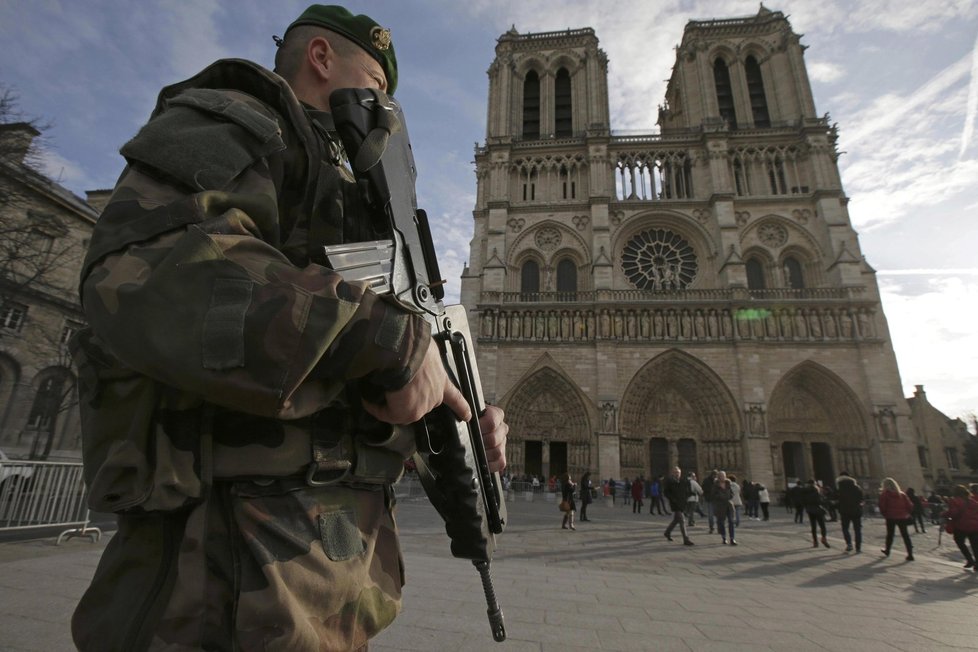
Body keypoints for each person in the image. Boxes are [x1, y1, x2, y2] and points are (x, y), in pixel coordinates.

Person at [68, 6, 508, 651]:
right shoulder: (234, 120)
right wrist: (389, 339)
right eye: (377, 87)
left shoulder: (351, 190)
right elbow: (145, 272)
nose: (386, 109)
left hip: (329, 573)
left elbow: (351, 379)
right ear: (322, 58)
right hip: (219, 565)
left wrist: (451, 413)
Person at [941, 484, 978, 570]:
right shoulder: (972, 501)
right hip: (975, 526)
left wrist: (944, 514)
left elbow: (954, 513)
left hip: (962, 525)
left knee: (960, 542)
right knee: (975, 545)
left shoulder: (954, 501)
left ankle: (970, 559)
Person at [878, 477, 914, 561]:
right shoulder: (902, 494)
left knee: (890, 534)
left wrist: (885, 514)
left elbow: (882, 506)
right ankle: (910, 554)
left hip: (891, 517)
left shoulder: (885, 494)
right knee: (905, 535)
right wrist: (906, 513)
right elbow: (910, 505)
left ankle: (887, 550)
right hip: (902, 517)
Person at [663, 466, 694, 545]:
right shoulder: (669, 481)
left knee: (676, 520)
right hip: (675, 504)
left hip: (682, 503)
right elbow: (666, 492)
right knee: (682, 520)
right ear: (672, 473)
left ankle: (667, 532)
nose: (677, 474)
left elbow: (687, 490)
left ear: (680, 473)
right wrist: (672, 499)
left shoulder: (684, 481)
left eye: (678, 472)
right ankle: (686, 539)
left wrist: (689, 495)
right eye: (675, 472)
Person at [835, 471, 864, 552]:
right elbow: (861, 499)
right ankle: (858, 547)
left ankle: (849, 544)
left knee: (845, 528)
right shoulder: (857, 487)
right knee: (857, 529)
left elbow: (837, 499)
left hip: (845, 511)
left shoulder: (840, 488)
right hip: (856, 511)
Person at [800, 479, 830, 548]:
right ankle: (823, 538)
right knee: (822, 525)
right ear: (814, 483)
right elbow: (820, 500)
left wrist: (807, 506)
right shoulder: (817, 490)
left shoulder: (804, 491)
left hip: (810, 510)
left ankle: (815, 542)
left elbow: (803, 501)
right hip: (818, 509)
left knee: (813, 526)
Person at [712, 471, 737, 545]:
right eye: (721, 476)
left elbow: (732, 493)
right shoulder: (715, 485)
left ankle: (732, 539)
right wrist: (720, 496)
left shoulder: (728, 484)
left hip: (729, 505)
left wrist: (729, 496)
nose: (723, 477)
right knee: (721, 523)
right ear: (719, 477)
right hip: (720, 506)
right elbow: (713, 495)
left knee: (731, 522)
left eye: (724, 476)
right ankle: (724, 538)